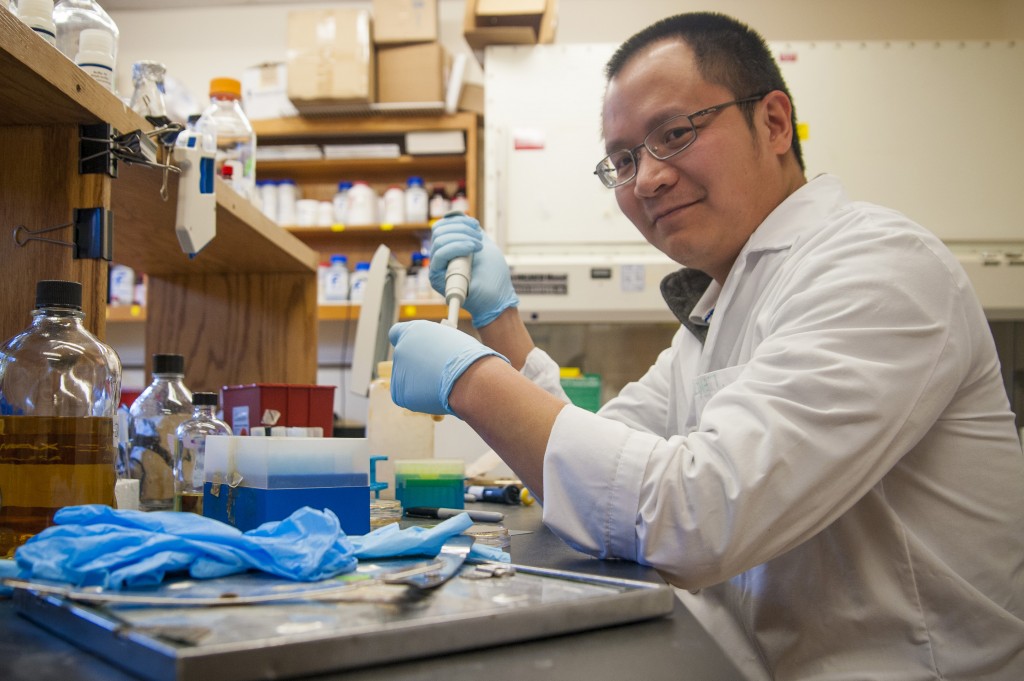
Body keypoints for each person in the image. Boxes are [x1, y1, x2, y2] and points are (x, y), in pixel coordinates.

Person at [388, 11, 1024, 680]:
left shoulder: (877, 266)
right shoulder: (721, 308)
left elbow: (693, 517)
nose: (647, 179)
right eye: (625, 160)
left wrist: (472, 381)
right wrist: (502, 327)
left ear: (774, 123)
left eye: (674, 134)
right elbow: (603, 467)